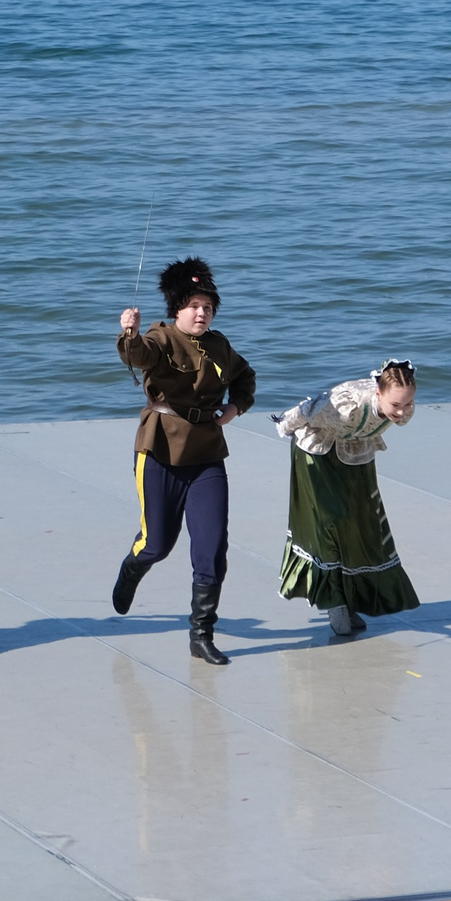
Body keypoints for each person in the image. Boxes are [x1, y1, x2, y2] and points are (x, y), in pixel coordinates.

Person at [111, 258, 257, 665]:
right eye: (193, 305)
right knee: (157, 544)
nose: (201, 312)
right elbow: (138, 354)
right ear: (177, 308)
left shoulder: (219, 345)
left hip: (207, 452)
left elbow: (246, 377)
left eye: (207, 305)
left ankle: (201, 634)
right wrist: (130, 332)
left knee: (211, 547)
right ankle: (132, 568)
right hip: (160, 449)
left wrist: (235, 408)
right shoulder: (161, 337)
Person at [274, 360, 423, 638]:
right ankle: (335, 602)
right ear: (378, 394)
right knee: (332, 520)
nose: (402, 412)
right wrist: (283, 424)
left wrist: (399, 410)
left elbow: (395, 413)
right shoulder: (346, 406)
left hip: (355, 453)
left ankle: (352, 596)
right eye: (396, 406)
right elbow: (307, 410)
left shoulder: (405, 408)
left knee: (361, 525)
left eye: (407, 404)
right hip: (316, 454)